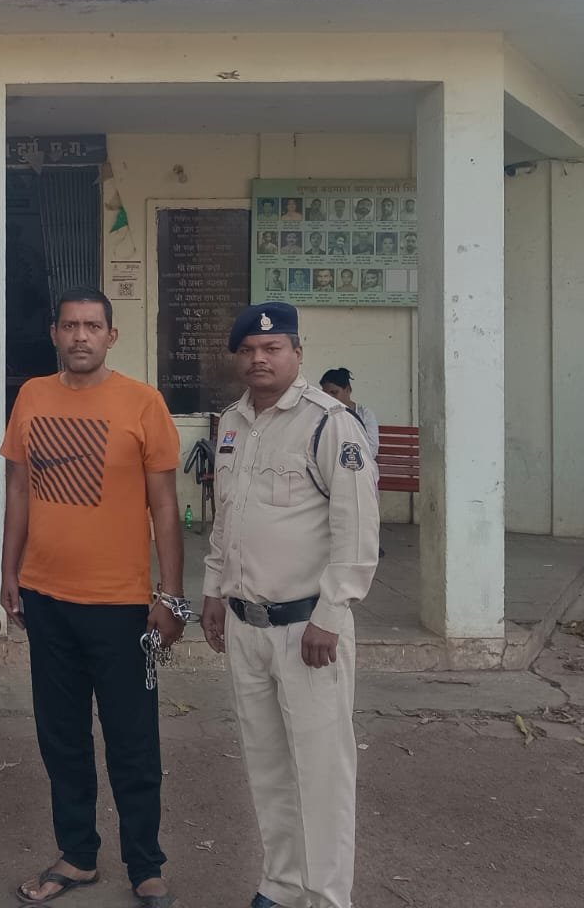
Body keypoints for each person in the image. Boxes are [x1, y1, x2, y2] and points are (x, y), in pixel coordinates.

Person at [1, 289, 192, 908]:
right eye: (69, 325)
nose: (80, 336)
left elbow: (165, 506)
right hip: (47, 598)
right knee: (61, 738)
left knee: (132, 740)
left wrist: (171, 594)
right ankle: (78, 854)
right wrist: (8, 571)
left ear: (111, 335)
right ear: (54, 334)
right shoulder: (32, 396)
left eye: (91, 326)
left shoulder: (143, 402)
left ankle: (146, 863)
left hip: (122, 606)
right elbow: (19, 491)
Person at [202, 303, 379, 908]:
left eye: (273, 348)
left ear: (297, 354)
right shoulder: (232, 423)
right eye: (249, 349)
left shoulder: (330, 424)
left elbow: (357, 529)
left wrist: (332, 613)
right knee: (268, 766)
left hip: (308, 631)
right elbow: (227, 518)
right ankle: (280, 885)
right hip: (246, 624)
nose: (260, 358)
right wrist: (214, 590)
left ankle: (327, 897)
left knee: (322, 772)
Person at [319, 367, 379, 458]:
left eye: (334, 392)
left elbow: (372, 450)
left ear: (348, 389)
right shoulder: (323, 414)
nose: (329, 398)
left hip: (359, 463)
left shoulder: (365, 414)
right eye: (325, 394)